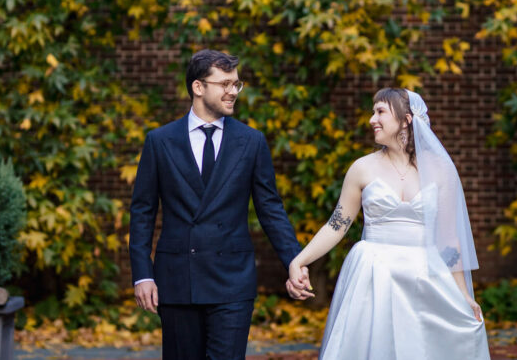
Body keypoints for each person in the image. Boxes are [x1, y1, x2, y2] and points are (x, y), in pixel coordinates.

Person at [129, 50, 311, 360]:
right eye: (224, 84)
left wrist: (295, 262)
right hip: (177, 279)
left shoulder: (252, 141)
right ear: (198, 87)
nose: (233, 92)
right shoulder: (159, 141)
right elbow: (142, 212)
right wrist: (142, 274)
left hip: (232, 280)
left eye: (236, 84)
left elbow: (270, 209)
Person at [287, 87, 491, 360]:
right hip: (374, 274)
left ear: (406, 120)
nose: (372, 119)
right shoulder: (362, 168)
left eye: (380, 111)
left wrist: (463, 294)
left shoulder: (440, 170)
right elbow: (337, 225)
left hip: (425, 274)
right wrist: (299, 261)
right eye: (373, 112)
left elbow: (449, 238)